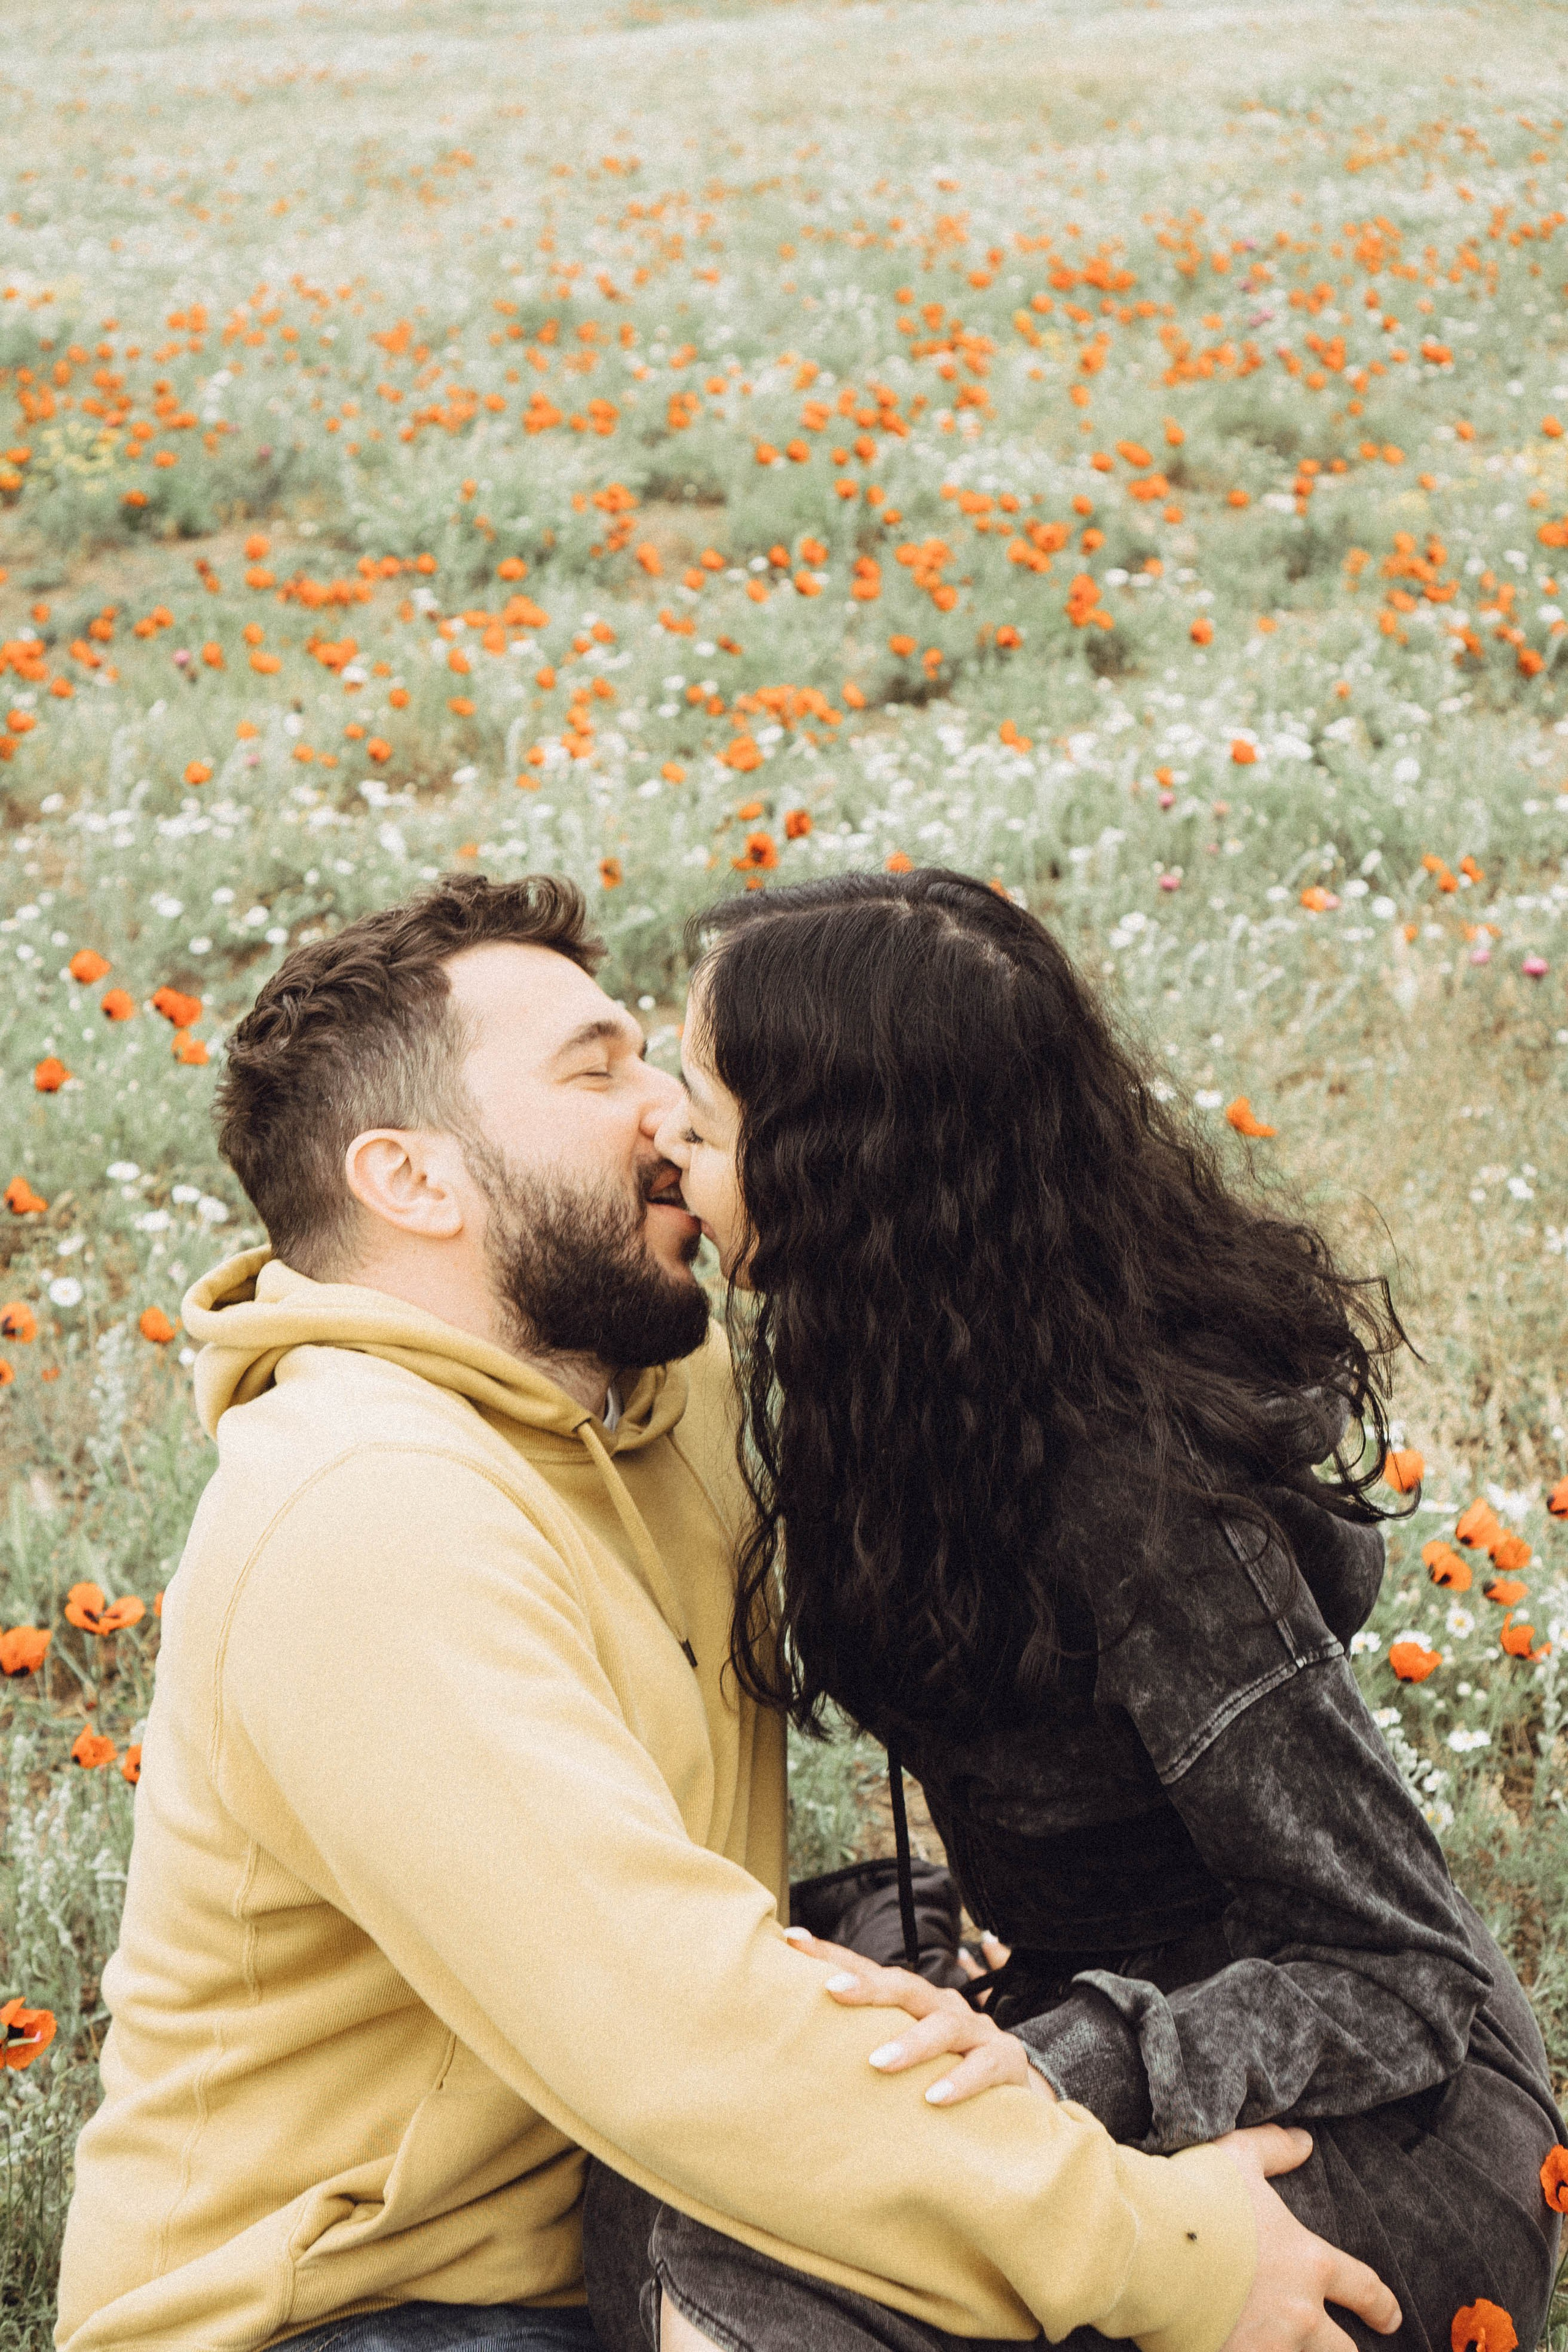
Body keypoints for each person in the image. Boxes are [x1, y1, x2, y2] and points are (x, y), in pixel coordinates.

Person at [55, 873, 1398, 2352]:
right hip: (366, 2304)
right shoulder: (360, 1516)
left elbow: (967, 1278)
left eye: (655, 1059)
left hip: (631, 2206)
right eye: (596, 1067)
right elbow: (674, 2033)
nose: (665, 1113)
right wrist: (1169, 2255)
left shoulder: (656, 1390)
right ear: (414, 1180)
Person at [638, 866, 1563, 2352]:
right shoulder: (893, 1384)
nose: (667, 1146)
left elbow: (1400, 1974)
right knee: (678, 2155)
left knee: (753, 2274)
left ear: (844, 1185)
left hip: (1363, 2123)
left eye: (705, 1118)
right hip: (1086, 2025)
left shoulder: (1143, 1505)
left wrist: (1087, 2056)